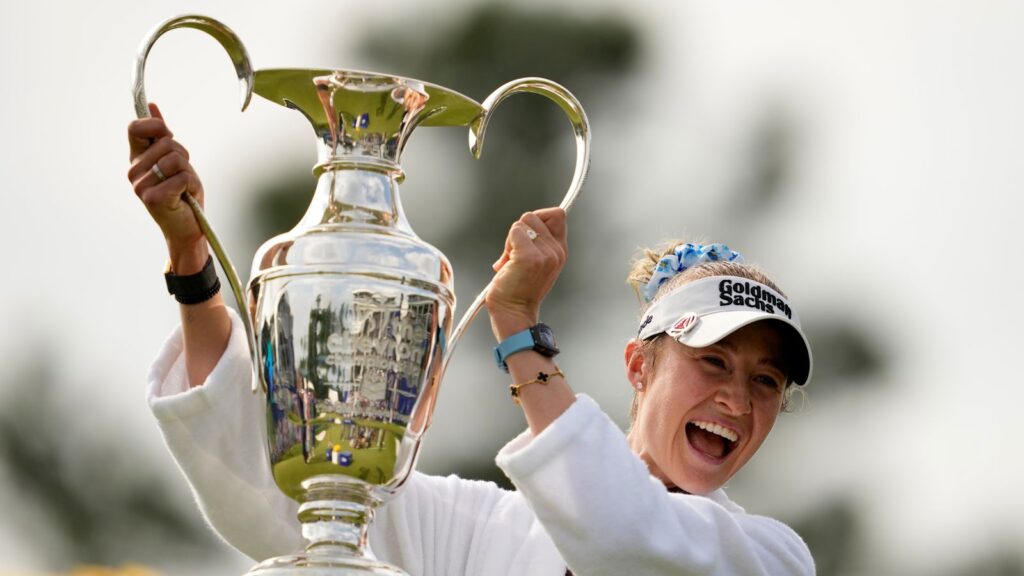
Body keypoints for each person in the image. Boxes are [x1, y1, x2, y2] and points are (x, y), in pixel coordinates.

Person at [128, 105, 816, 575]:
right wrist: (191, 263)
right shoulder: (486, 527)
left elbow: (621, 534)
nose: (736, 400)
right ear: (639, 366)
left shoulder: (771, 558)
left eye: (765, 382)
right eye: (714, 362)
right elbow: (278, 499)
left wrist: (518, 326)